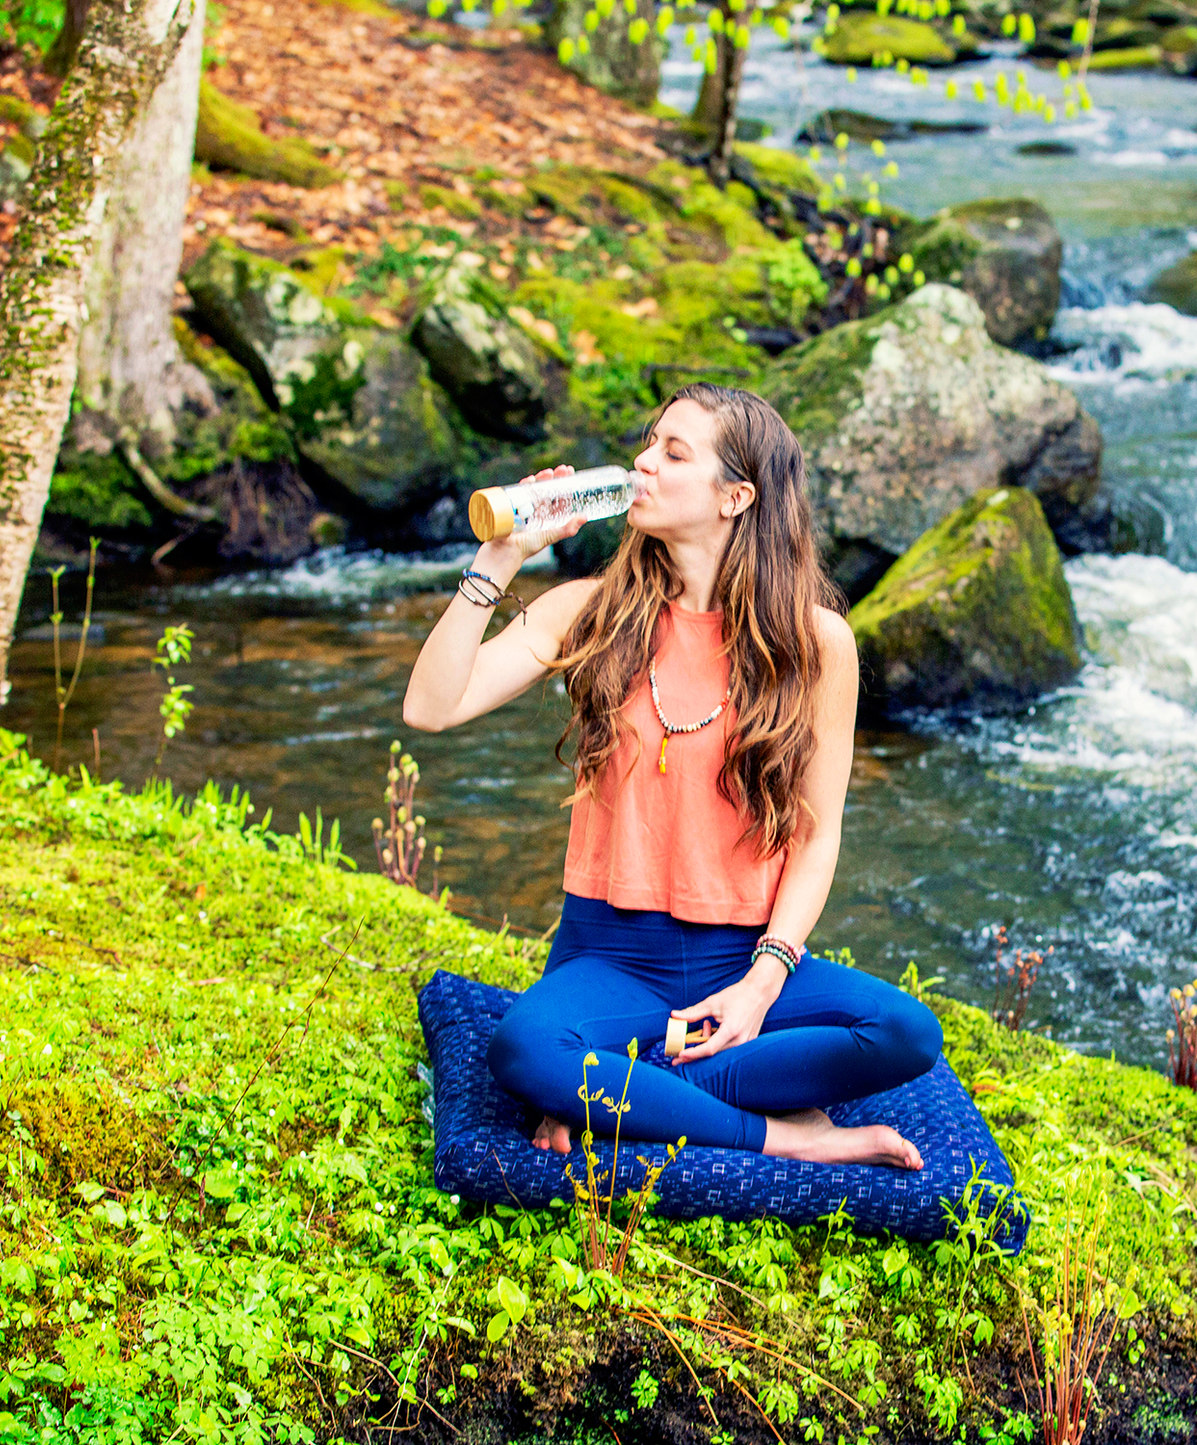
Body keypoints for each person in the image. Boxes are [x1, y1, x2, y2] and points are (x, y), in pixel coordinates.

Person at [402, 384, 944, 1169]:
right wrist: (501, 557)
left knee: (902, 1033)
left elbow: (818, 834)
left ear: (735, 496)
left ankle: (622, 1093)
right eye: (648, 443)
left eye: (672, 452)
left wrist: (762, 983)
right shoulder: (588, 610)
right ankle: (787, 1135)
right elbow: (431, 704)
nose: (642, 462)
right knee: (521, 1050)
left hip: (741, 957)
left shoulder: (817, 643)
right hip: (609, 955)